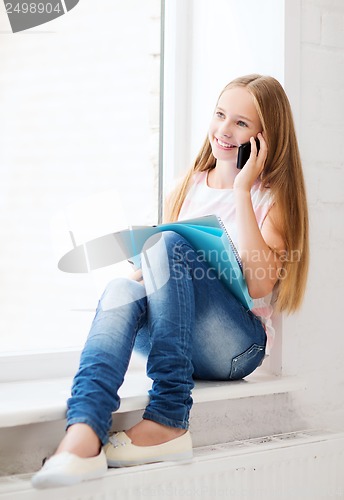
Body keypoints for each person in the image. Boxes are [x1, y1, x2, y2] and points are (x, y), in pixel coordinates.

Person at [32, 74, 309, 488]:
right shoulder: (191, 184)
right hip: (178, 338)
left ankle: (169, 417)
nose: (224, 130)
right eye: (220, 115)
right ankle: (84, 431)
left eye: (241, 123)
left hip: (237, 346)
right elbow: (161, 268)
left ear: (265, 137)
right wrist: (142, 272)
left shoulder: (269, 197)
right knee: (122, 288)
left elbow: (260, 286)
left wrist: (240, 189)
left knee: (169, 241)